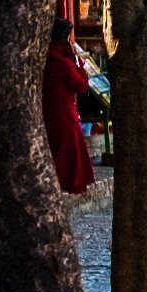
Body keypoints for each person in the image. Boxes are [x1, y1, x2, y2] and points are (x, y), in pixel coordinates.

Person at [43, 16, 98, 196]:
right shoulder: (63, 62)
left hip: (49, 112)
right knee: (66, 155)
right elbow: (81, 86)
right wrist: (81, 65)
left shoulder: (47, 57)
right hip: (64, 113)